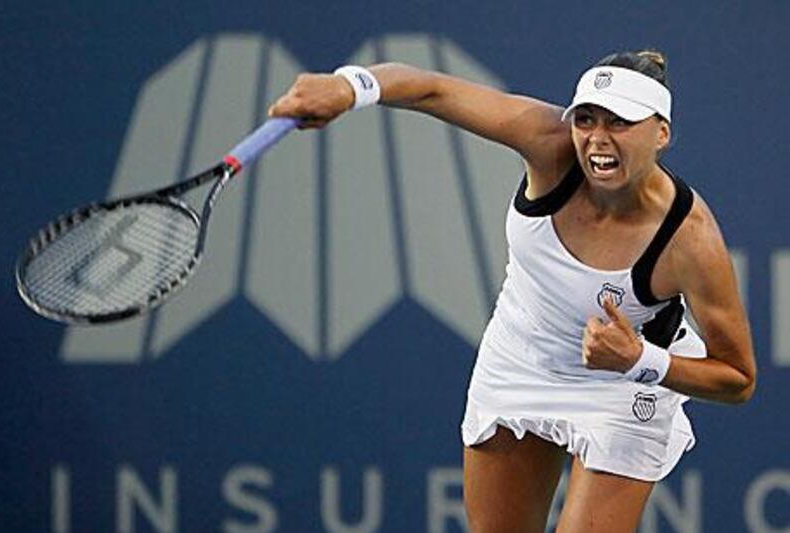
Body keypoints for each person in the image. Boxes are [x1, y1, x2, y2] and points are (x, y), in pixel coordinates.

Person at [268, 51, 757, 532]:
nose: (597, 140)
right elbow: (432, 89)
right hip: (522, 358)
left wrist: (639, 361)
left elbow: (737, 378)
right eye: (586, 120)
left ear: (662, 133)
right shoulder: (548, 143)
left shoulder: (690, 239)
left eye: (620, 123)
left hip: (625, 386)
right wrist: (351, 87)